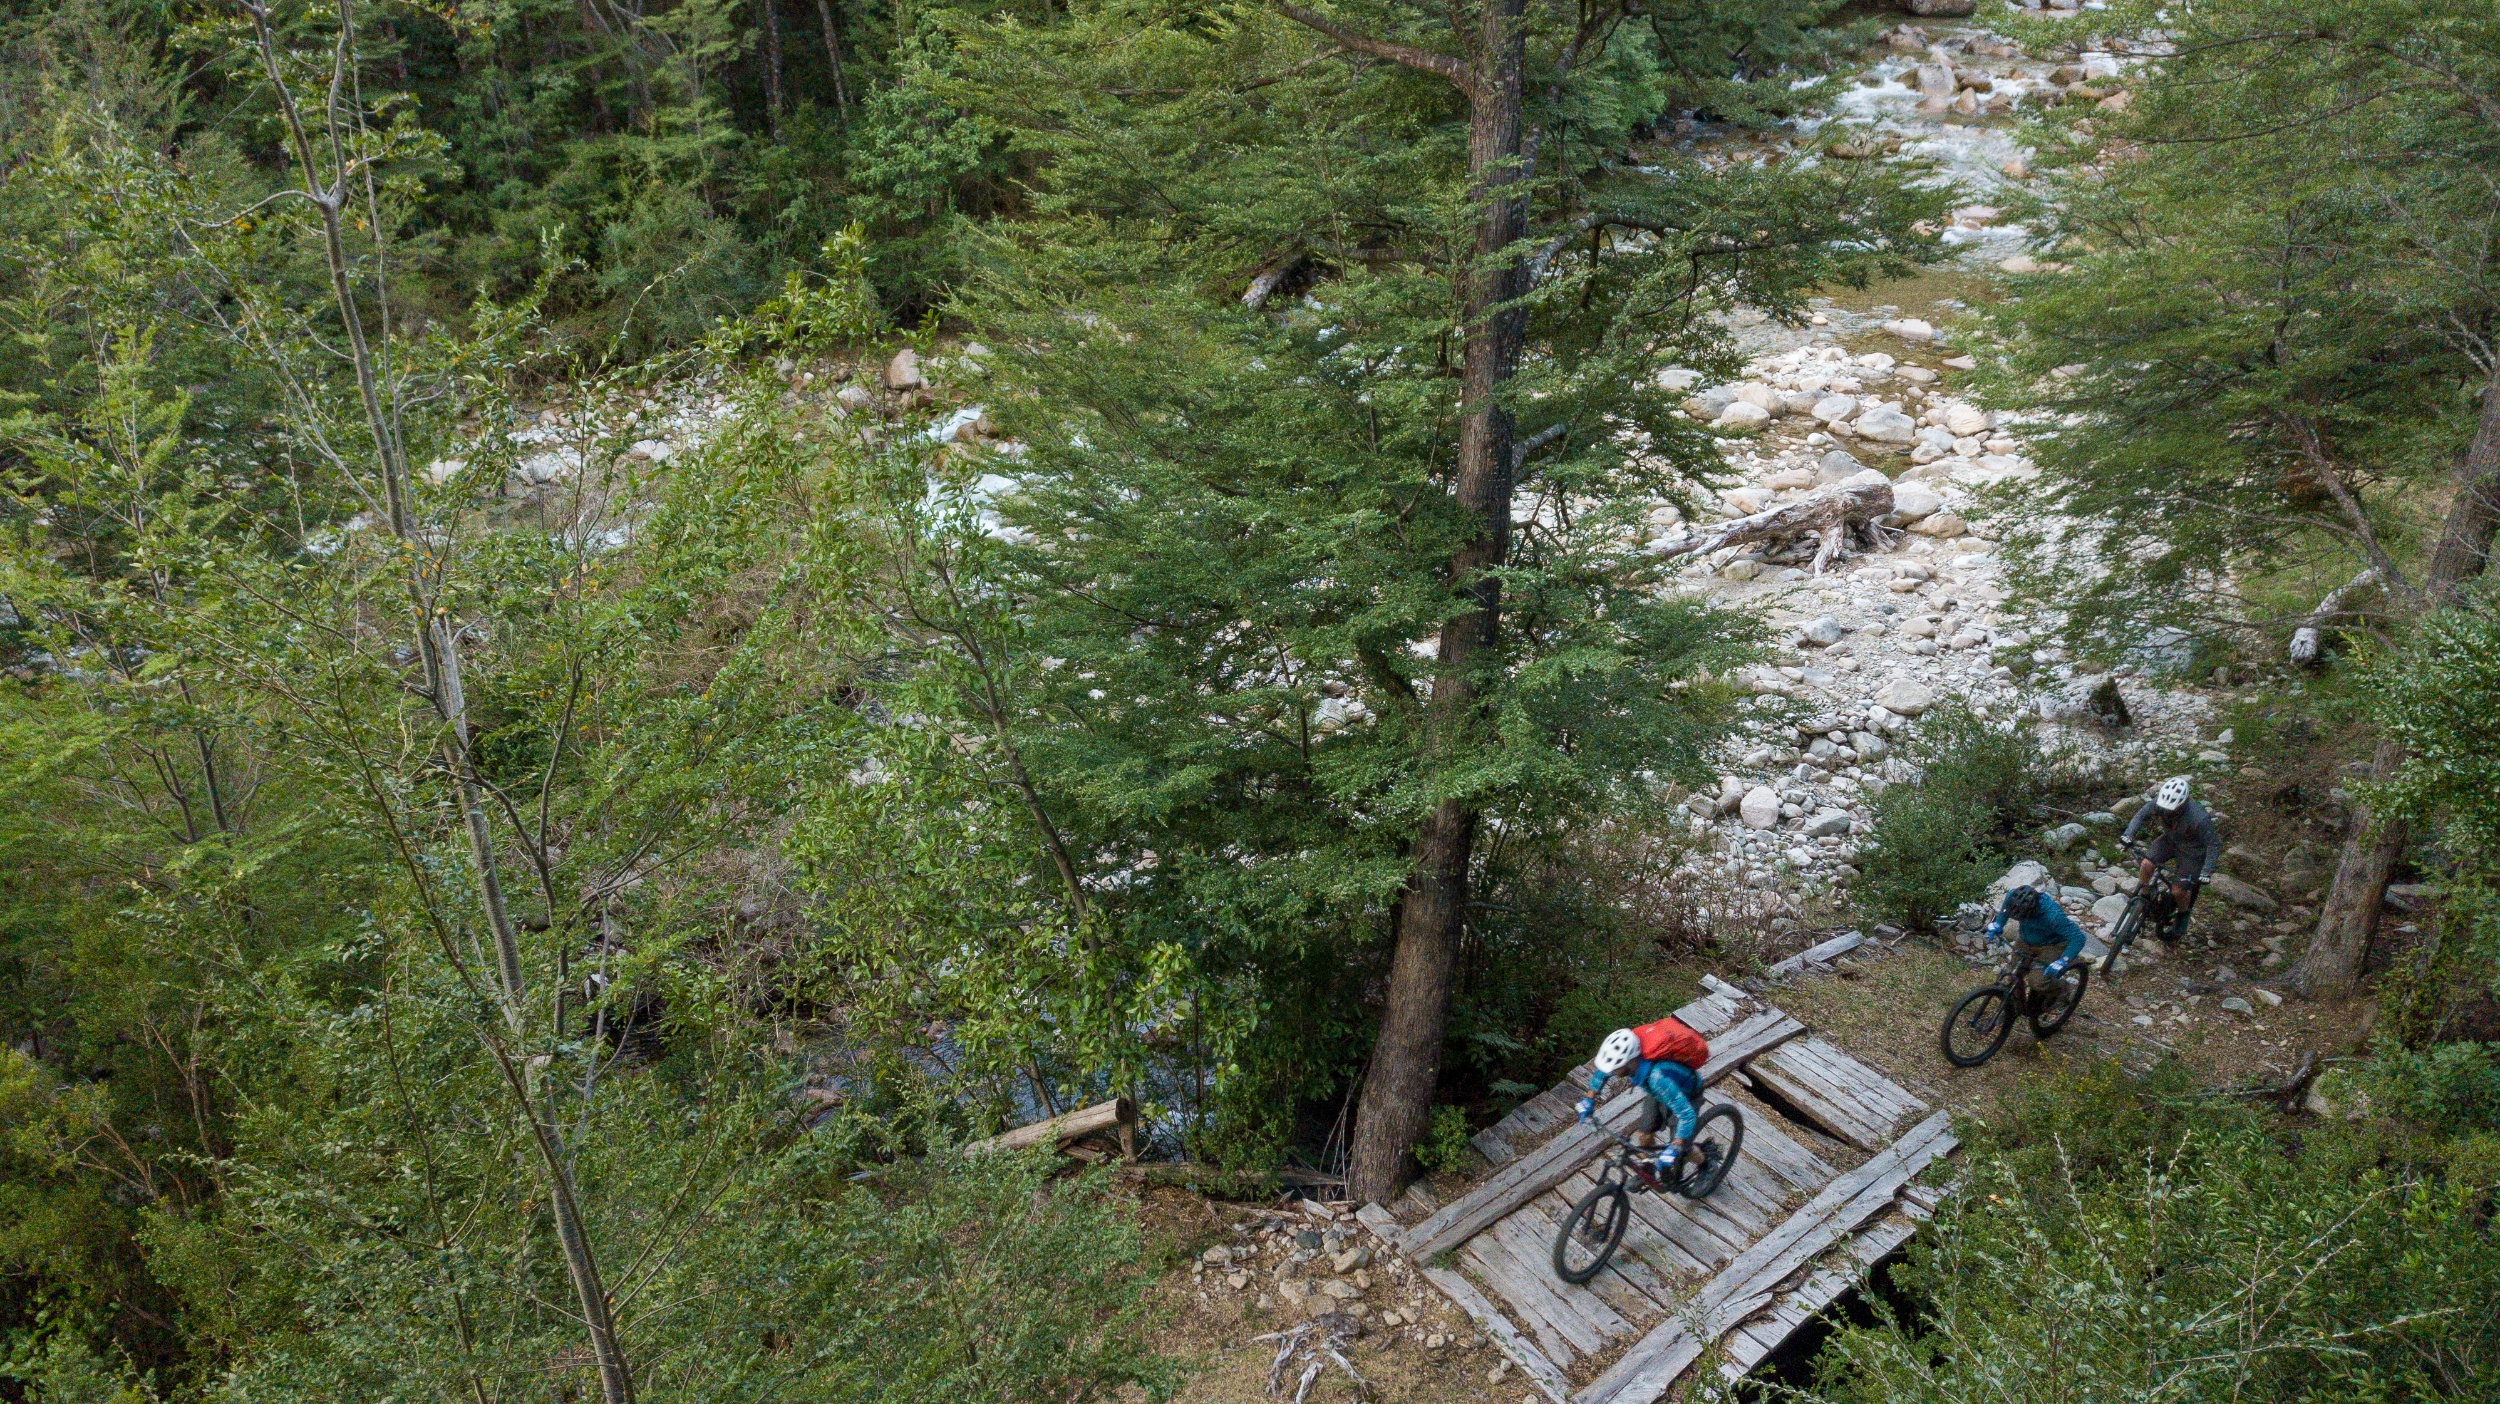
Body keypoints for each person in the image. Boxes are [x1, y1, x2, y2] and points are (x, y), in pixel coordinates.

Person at [1575, 1019, 1707, 1183]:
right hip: (1659, 1093)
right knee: (1644, 1133)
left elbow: (1686, 1115)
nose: (1613, 1072)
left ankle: (1706, 1165)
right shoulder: (1631, 1063)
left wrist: (1675, 1146)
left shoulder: (1657, 1078)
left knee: (1684, 1148)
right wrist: (1589, 1099)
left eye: (1616, 1068)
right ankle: (1647, 1168)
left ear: (1630, 1062)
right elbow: (1603, 1072)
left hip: (1686, 1095)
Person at [2121, 775, 2217, 943]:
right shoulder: (2161, 803)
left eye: (2173, 809)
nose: (2168, 812)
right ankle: (2144, 895)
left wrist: (2206, 871)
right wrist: (2128, 834)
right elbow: (2141, 815)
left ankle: (2183, 913)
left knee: (2178, 891)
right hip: (2170, 840)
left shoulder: (2199, 818)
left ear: (2183, 803)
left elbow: (2213, 845)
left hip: (2192, 852)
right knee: (2146, 864)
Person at [1981, 883, 2091, 992]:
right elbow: (2005, 910)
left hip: (2052, 944)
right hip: (2026, 940)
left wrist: (2064, 959)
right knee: (2011, 975)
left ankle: (2063, 989)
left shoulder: (2053, 916)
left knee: (2037, 982)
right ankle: (2014, 1001)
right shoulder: (2013, 897)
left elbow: (2078, 937)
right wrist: (1999, 923)